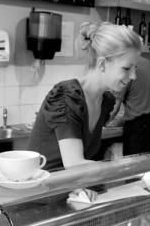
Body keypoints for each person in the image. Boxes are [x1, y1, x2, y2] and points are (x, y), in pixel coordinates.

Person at [27, 21, 142, 170]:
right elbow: (74, 164)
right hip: (41, 191)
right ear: (102, 65)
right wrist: (137, 173)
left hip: (71, 190)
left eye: (135, 68)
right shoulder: (67, 97)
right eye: (126, 68)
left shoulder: (105, 101)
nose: (133, 76)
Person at [109, 56, 150, 155]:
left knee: (134, 168)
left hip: (137, 131)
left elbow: (114, 107)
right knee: (148, 167)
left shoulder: (125, 68)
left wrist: (101, 124)